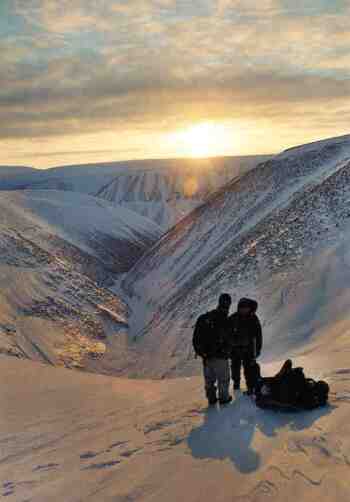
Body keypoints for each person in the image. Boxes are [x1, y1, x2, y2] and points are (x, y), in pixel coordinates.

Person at [193, 294, 233, 406]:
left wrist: (202, 353)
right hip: (221, 356)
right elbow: (229, 339)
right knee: (223, 379)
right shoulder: (225, 319)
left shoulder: (206, 318)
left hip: (206, 357)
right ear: (228, 304)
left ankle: (211, 398)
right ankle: (224, 399)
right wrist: (227, 351)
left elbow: (196, 338)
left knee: (209, 380)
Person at [228, 298, 262, 395]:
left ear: (249, 308)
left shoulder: (253, 318)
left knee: (249, 369)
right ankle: (236, 384)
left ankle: (250, 387)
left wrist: (257, 350)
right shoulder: (233, 318)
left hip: (249, 350)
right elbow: (227, 334)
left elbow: (258, 336)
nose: (244, 310)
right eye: (242, 308)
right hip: (235, 350)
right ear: (239, 308)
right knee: (235, 368)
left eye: (246, 308)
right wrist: (231, 347)